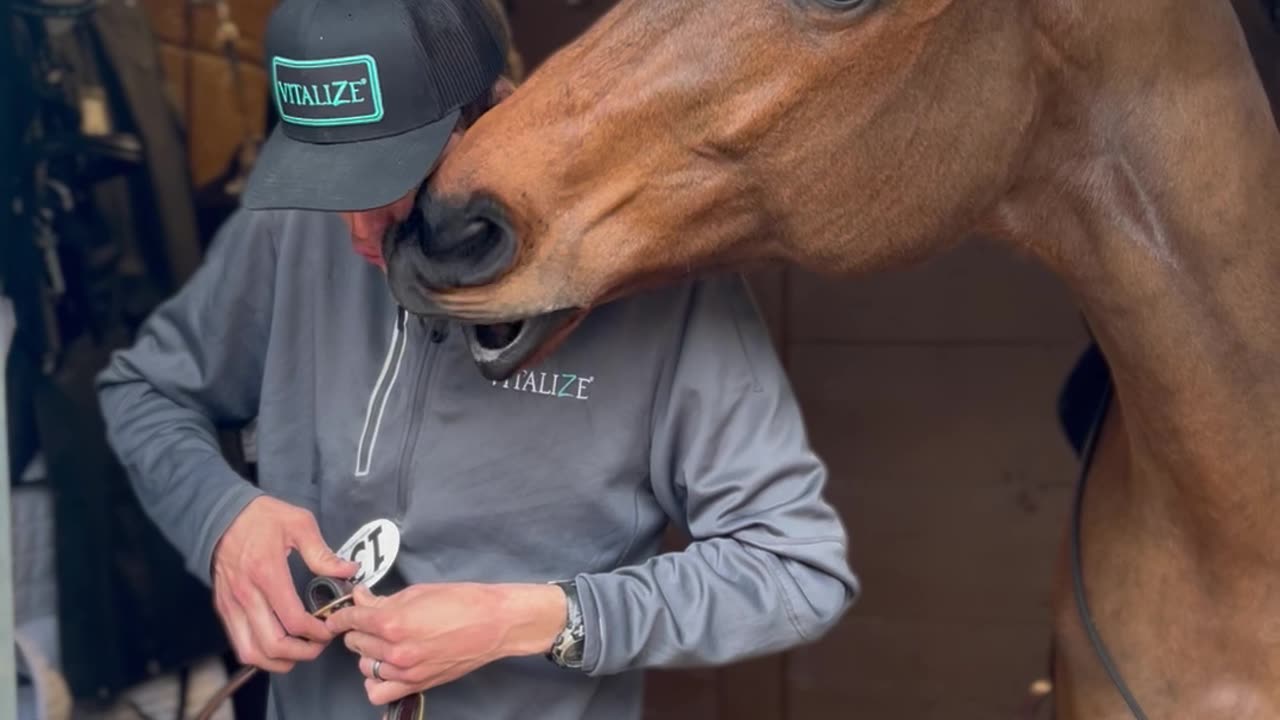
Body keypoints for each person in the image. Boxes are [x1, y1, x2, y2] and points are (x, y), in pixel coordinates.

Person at [95, 0, 858, 718]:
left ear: (494, 116)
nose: (359, 234)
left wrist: (530, 619)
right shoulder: (292, 232)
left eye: (390, 182)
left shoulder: (664, 291)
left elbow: (795, 570)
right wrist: (226, 520)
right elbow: (146, 391)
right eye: (332, 183)